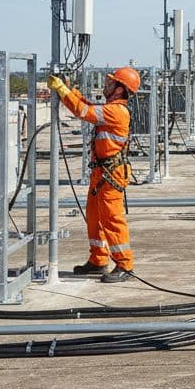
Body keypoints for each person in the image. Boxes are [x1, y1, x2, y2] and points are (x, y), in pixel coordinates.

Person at [50, 68, 141, 283]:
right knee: (94, 217)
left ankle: (124, 264)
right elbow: (89, 107)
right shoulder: (111, 108)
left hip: (111, 174)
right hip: (102, 172)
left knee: (112, 219)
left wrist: (62, 90)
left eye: (111, 83)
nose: (106, 85)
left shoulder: (117, 112)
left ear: (120, 90)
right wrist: (69, 90)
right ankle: (99, 259)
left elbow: (83, 111)